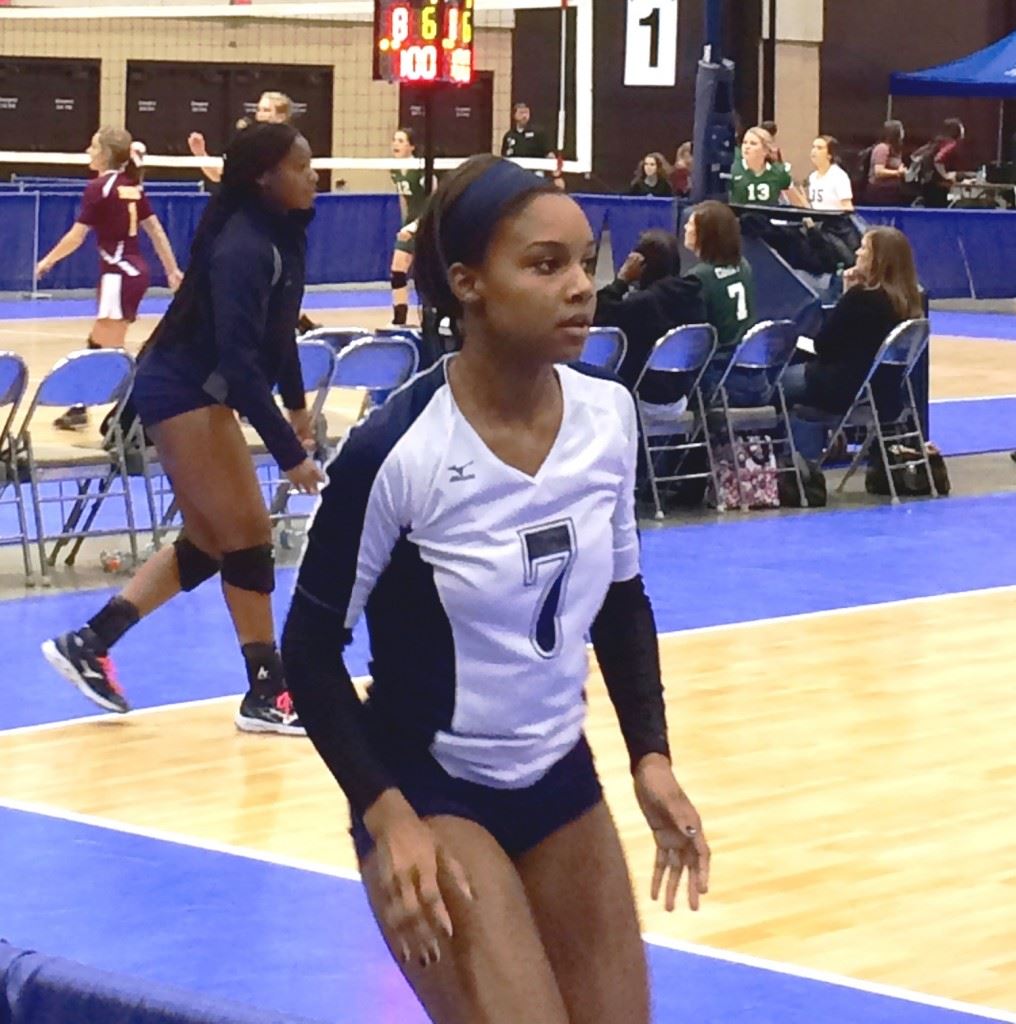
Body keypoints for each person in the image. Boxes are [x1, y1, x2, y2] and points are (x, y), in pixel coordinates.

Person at [281, 154, 710, 1023]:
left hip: (560, 779)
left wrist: (651, 756)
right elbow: (308, 651)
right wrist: (388, 816)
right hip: (432, 789)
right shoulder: (397, 451)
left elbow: (622, 600)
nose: (580, 288)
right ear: (469, 283)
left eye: (584, 262)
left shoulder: (608, 417)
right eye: (546, 266)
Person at [42, 123, 326, 736]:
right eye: (300, 166)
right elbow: (243, 366)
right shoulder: (243, 248)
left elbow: (281, 336)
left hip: (202, 389)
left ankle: (90, 641)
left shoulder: (284, 237)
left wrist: (299, 409)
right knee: (246, 539)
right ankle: (267, 692)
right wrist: (288, 453)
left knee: (210, 538)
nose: (312, 175)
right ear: (263, 177)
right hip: (179, 388)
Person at [35, 126, 183, 430]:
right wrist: (171, 269)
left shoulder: (99, 188)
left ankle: (136, 408)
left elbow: (77, 236)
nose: (88, 152)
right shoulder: (131, 186)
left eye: (92, 147)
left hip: (119, 274)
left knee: (108, 351)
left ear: (104, 154)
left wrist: (48, 260)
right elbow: (155, 230)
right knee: (100, 344)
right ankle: (83, 408)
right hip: (132, 272)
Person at [783, 227, 923, 459]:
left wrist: (846, 296)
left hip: (841, 386)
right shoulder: (907, 303)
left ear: (878, 260)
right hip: (881, 391)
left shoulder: (862, 298)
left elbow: (823, 345)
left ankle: (799, 466)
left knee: (773, 386)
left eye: (864, 249)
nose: (857, 252)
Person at [593, 229, 705, 401]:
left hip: (641, 399)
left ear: (641, 265)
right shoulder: (693, 295)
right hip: (682, 398)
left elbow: (598, 314)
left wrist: (621, 280)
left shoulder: (643, 304)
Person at [683, 201, 761, 404]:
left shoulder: (698, 278)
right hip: (751, 371)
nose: (685, 228)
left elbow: (695, 340)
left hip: (717, 377)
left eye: (691, 225)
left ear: (706, 234)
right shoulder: (744, 265)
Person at [188, 90, 293, 186]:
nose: (260, 115)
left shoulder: (292, 145)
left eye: (266, 110)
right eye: (259, 110)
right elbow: (219, 175)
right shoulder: (249, 144)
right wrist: (201, 154)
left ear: (281, 117)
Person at [389, 127, 427, 327]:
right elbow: (403, 199)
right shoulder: (394, 169)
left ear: (411, 147)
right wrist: (405, 224)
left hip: (428, 222)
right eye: (394, 140)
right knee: (397, 270)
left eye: (401, 141)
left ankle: (434, 314)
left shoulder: (419, 168)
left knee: (427, 273)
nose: (396, 144)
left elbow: (435, 200)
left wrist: (415, 226)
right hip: (410, 224)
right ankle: (399, 318)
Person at [729, 126, 803, 207]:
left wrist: (810, 218)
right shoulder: (733, 169)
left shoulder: (779, 172)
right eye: (744, 142)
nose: (747, 147)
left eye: (753, 143)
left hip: (770, 218)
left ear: (765, 150)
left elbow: (797, 202)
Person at [921, 118, 966, 208]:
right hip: (937, 186)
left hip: (928, 183)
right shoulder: (950, 144)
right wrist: (945, 176)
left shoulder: (937, 142)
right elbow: (938, 160)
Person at [807, 135, 854, 211]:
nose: (814, 151)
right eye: (813, 147)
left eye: (819, 148)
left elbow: (847, 207)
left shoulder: (839, 176)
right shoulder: (812, 177)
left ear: (829, 155)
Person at [866, 120, 907, 206]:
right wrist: (897, 173)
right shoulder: (882, 148)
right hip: (881, 192)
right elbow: (878, 171)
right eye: (901, 129)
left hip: (891, 190)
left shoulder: (895, 149)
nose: (903, 132)